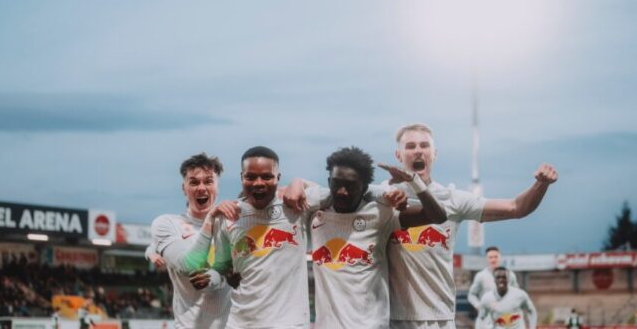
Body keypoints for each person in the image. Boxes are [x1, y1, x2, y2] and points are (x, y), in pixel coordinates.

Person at [385, 123, 558, 329]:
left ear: (434, 154)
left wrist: (541, 184)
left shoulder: (452, 199)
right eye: (410, 146)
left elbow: (516, 208)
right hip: (391, 319)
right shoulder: (382, 200)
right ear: (398, 155)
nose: (418, 151)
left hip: (439, 319)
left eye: (424, 145)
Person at [285, 146, 446, 328]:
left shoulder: (381, 213)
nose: (342, 192)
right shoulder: (313, 213)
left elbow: (438, 216)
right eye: (337, 184)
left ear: (364, 188)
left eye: (352, 186)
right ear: (329, 181)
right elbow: (284, 194)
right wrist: (297, 181)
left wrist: (414, 181)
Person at [184, 146, 316, 328]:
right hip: (240, 323)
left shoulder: (295, 206)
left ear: (278, 178)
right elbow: (222, 267)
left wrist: (300, 182)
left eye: (267, 177)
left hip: (289, 324)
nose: (258, 183)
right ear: (241, 178)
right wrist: (210, 277)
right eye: (251, 177)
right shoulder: (228, 216)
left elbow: (337, 192)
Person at [148, 152, 233, 328]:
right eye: (194, 182)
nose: (201, 187)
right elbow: (190, 266)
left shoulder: (232, 226)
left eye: (208, 181)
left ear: (217, 186)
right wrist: (210, 220)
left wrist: (298, 184)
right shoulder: (167, 224)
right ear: (184, 188)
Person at [469, 246, 520, 329]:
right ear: (486, 259)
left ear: (500, 257)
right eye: (490, 257)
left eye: (495, 257)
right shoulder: (481, 276)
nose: (493, 259)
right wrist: (478, 305)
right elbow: (471, 295)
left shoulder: (510, 275)